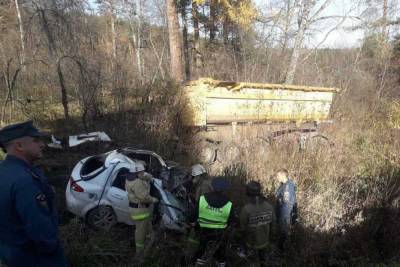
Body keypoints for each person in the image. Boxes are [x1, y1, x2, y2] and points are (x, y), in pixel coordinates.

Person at [0, 121, 68, 267]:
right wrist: (53, 248)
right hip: (37, 258)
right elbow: (41, 232)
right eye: (36, 141)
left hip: (11, 255)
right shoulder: (25, 182)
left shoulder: (4, 171)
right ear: (19, 146)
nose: (42, 145)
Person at [192, 177, 235, 267]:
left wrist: (193, 225)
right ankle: (220, 262)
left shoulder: (202, 199)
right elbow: (232, 221)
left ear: (213, 186)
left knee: (201, 250)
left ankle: (199, 262)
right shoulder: (229, 204)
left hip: (203, 232)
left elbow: (193, 216)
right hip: (219, 234)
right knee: (221, 252)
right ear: (224, 190)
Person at [125, 161, 158, 264]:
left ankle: (150, 240)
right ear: (136, 172)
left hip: (138, 210)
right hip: (140, 211)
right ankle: (139, 254)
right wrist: (154, 200)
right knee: (140, 232)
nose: (143, 173)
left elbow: (146, 176)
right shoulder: (137, 182)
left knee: (147, 227)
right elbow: (144, 197)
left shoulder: (130, 178)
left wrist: (147, 176)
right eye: (141, 172)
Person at [240, 181, 276, 266]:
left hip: (250, 243)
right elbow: (273, 224)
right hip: (264, 241)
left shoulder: (246, 209)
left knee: (251, 262)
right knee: (263, 260)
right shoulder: (269, 207)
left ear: (248, 193)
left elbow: (242, 227)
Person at [275, 169, 297, 250]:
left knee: (283, 232)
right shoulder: (283, 184)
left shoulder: (287, 188)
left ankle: (281, 250)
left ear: (283, 176)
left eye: (278, 176)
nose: (277, 177)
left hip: (284, 215)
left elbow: (287, 205)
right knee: (282, 232)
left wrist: (282, 219)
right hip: (282, 213)